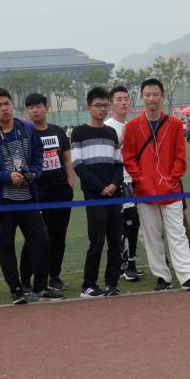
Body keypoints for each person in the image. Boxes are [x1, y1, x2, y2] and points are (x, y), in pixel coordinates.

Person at [0, 88, 63, 304]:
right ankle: (16, 290)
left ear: (12, 105)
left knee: (41, 241)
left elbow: (38, 156)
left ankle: (40, 288)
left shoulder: (27, 129)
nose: (4, 108)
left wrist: (34, 174)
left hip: (28, 198)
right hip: (2, 201)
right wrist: (7, 177)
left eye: (6, 103)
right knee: (6, 247)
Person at [123, 78, 190, 292]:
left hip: (171, 189)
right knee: (152, 235)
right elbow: (129, 158)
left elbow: (180, 156)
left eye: (155, 94)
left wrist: (172, 179)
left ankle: (187, 276)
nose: (151, 99)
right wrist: (141, 179)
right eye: (147, 95)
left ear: (162, 97)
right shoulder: (132, 126)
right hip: (145, 191)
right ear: (141, 97)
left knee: (177, 232)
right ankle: (162, 277)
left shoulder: (175, 124)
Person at [71, 87, 125, 298]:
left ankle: (112, 283)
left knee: (115, 241)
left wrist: (113, 184)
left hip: (114, 194)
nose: (102, 109)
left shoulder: (111, 133)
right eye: (98, 105)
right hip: (94, 196)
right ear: (89, 107)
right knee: (97, 241)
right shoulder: (79, 132)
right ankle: (88, 285)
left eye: (105, 105)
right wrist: (100, 186)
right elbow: (78, 164)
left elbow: (118, 163)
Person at [20, 93, 75, 293]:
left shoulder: (58, 131)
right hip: (37, 193)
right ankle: (25, 279)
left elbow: (67, 158)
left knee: (58, 237)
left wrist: (70, 183)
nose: (35, 110)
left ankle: (54, 276)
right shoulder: (25, 134)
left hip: (61, 192)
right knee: (35, 237)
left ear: (47, 108)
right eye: (31, 107)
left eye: (38, 106)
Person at [105, 85, 142, 281]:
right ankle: (125, 265)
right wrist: (122, 136)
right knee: (126, 224)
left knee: (133, 223)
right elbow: (108, 155)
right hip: (120, 181)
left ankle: (130, 263)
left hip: (134, 179)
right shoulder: (108, 127)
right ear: (111, 103)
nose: (123, 102)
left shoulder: (130, 124)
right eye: (119, 99)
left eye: (126, 99)